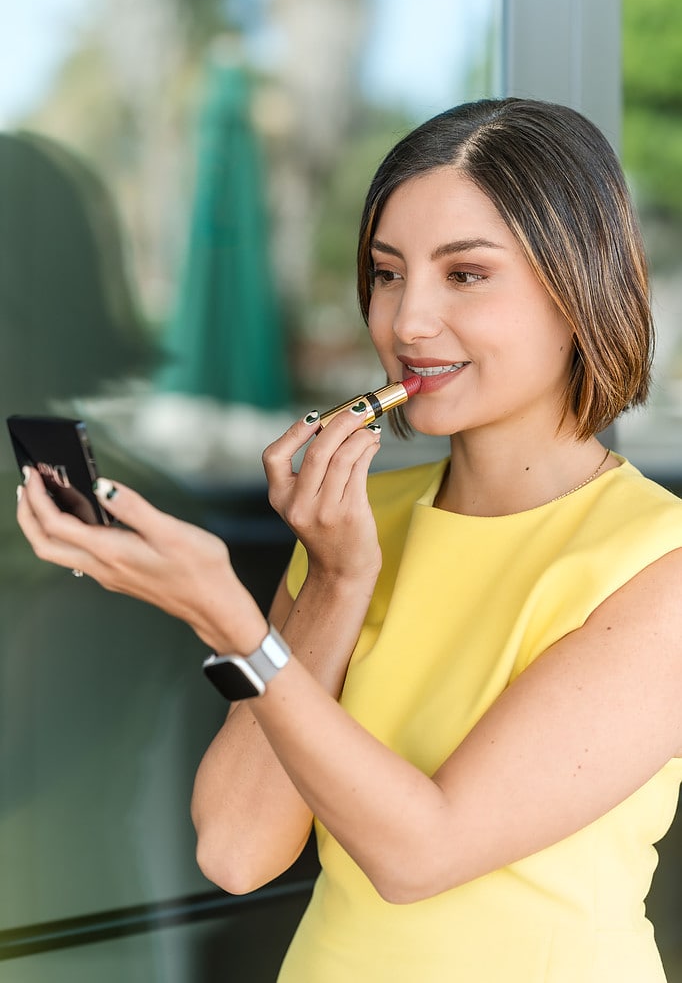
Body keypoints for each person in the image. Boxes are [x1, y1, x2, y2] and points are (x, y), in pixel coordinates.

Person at [15, 98, 682, 982]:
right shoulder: (353, 530)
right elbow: (237, 848)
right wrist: (332, 583)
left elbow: (421, 855)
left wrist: (231, 621)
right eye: (387, 272)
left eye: (466, 275)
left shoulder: (657, 562)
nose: (406, 322)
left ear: (578, 288)